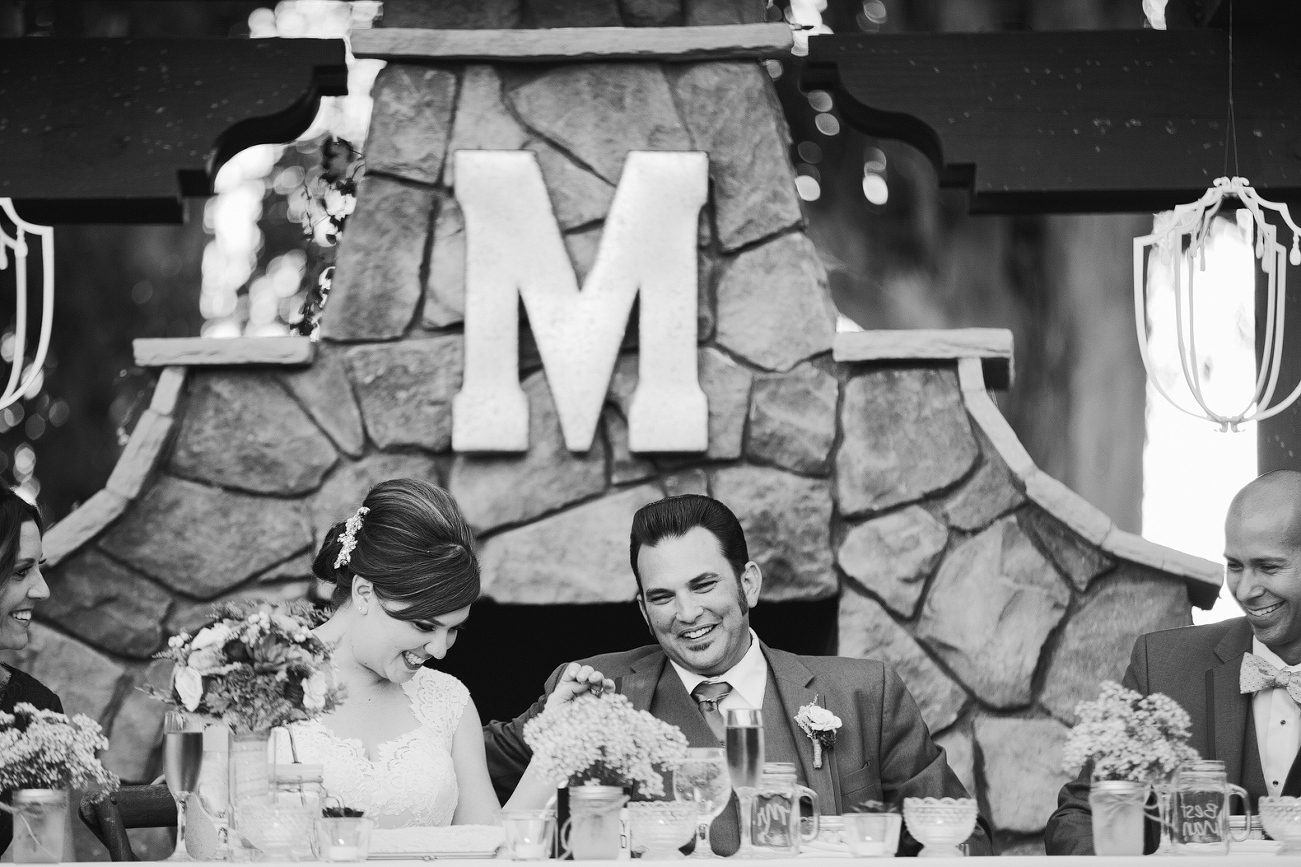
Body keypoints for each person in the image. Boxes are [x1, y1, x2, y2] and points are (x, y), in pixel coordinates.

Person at [484, 494, 993, 856]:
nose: (686, 613)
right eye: (662, 597)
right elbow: (455, 762)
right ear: (643, 610)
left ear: (748, 584)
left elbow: (962, 831)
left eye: (703, 585)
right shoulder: (596, 690)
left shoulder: (864, 692)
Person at [278, 478, 606, 827]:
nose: (439, 650)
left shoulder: (448, 701)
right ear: (363, 593)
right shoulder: (251, 680)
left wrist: (557, 743)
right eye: (423, 626)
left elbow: (488, 847)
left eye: (453, 630)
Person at [1045, 469, 1301, 855]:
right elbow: (1080, 819)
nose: (1246, 590)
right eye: (1234, 566)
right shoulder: (1161, 667)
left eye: (1268, 567)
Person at [0, 487, 60, 857]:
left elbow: (44, 859)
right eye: (22, 571)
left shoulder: (38, 709)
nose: (43, 589)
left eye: (39, 567)